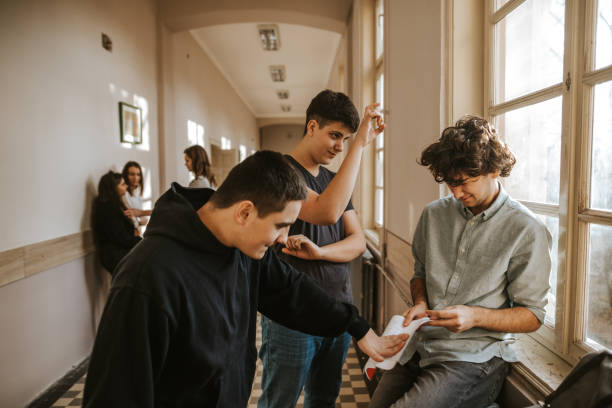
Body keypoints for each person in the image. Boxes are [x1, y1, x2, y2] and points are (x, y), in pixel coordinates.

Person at [83, 151, 404, 407]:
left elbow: (292, 291)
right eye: (280, 225)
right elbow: (114, 395)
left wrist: (358, 327)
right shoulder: (147, 276)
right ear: (245, 212)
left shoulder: (243, 249)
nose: (282, 239)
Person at [369, 115, 552, 408]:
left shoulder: (526, 230)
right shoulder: (433, 214)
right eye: (450, 184)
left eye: (464, 182)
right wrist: (419, 302)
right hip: (419, 345)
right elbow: (421, 273)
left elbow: (532, 315)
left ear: (493, 169)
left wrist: (474, 316)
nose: (455, 193)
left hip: (473, 360)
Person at [258, 90, 369, 408]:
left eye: (347, 139)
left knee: (323, 401)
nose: (340, 146)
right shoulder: (279, 172)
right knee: (279, 401)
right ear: (311, 127)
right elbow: (325, 211)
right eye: (335, 135)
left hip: (337, 313)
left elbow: (358, 240)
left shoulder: (336, 181)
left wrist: (321, 253)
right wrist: (361, 144)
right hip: (292, 317)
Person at [91, 171, 142, 275]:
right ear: (113, 188)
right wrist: (139, 240)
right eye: (123, 184)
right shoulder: (107, 208)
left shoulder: (114, 204)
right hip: (115, 255)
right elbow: (120, 237)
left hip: (119, 251)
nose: (126, 186)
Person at [121, 161, 152, 228]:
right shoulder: (124, 194)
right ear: (126, 175)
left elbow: (143, 220)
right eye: (132, 174)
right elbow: (133, 219)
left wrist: (139, 215)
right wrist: (140, 217)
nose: (135, 178)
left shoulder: (136, 193)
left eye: (138, 174)